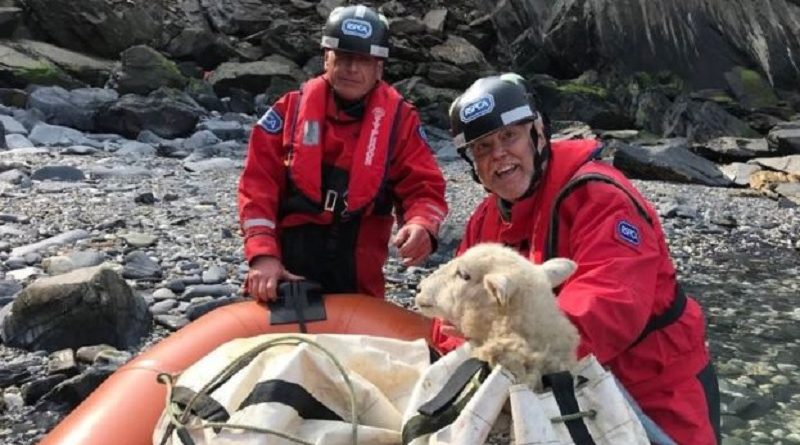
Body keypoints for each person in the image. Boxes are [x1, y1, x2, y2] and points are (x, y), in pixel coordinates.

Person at [444, 73, 720, 444]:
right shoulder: (485, 221)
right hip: (559, 387)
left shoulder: (601, 198)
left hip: (656, 386)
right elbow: (450, 306)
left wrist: (511, 343)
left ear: (538, 132)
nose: (499, 155)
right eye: (483, 147)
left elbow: (609, 299)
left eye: (509, 136)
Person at [238, 5, 448, 302]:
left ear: (379, 68)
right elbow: (257, 188)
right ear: (327, 59)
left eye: (363, 60)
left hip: (358, 275)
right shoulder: (289, 112)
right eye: (344, 57)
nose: (352, 68)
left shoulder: (400, 122)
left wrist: (421, 225)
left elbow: (423, 188)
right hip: (286, 272)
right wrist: (262, 256)